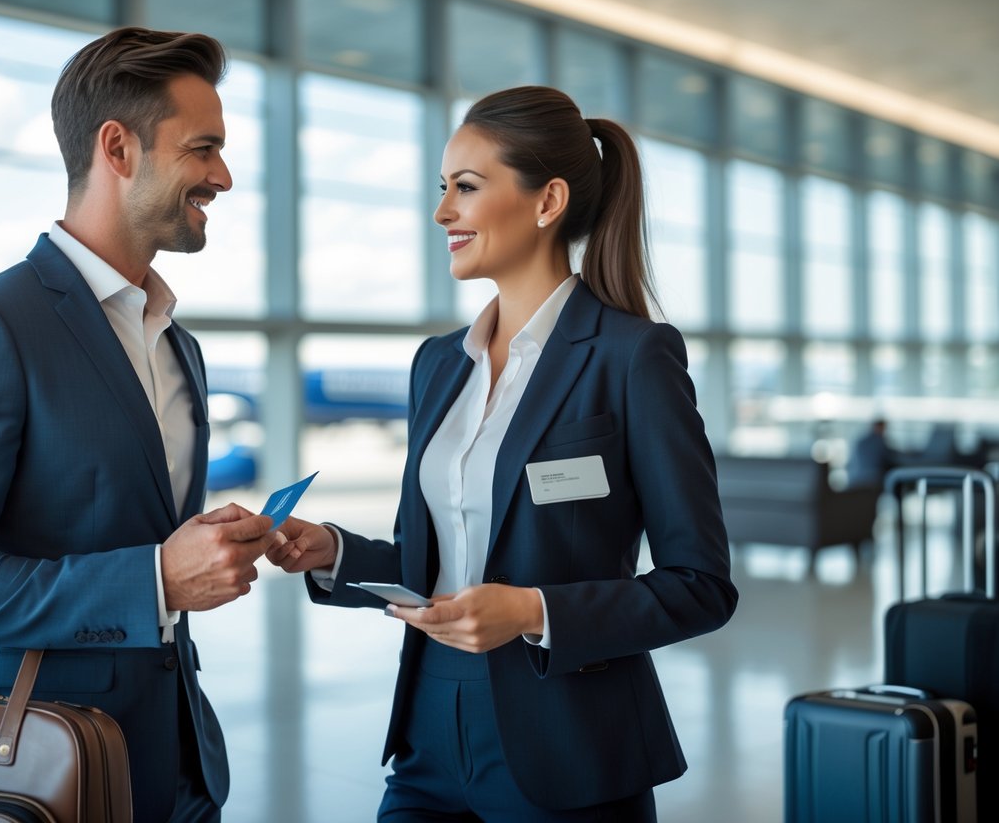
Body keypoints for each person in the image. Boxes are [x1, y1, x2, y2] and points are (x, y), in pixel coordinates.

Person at [266, 86, 738, 821]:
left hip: (568, 746)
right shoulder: (437, 365)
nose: (442, 212)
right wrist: (330, 551)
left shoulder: (632, 357)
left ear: (546, 200)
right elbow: (431, 565)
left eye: (466, 187)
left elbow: (700, 586)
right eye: (441, 189)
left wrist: (530, 610)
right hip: (426, 735)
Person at [0, 27, 282, 822]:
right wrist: (156, 579)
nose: (224, 177)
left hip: (177, 763)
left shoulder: (179, 343)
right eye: (203, 149)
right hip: (40, 764)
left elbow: (130, 524)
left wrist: (204, 550)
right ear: (117, 147)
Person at [845, 418, 898, 488]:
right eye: (883, 428)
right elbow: (891, 457)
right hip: (872, 480)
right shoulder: (879, 441)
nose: (884, 431)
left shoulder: (860, 441)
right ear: (878, 427)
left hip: (854, 480)